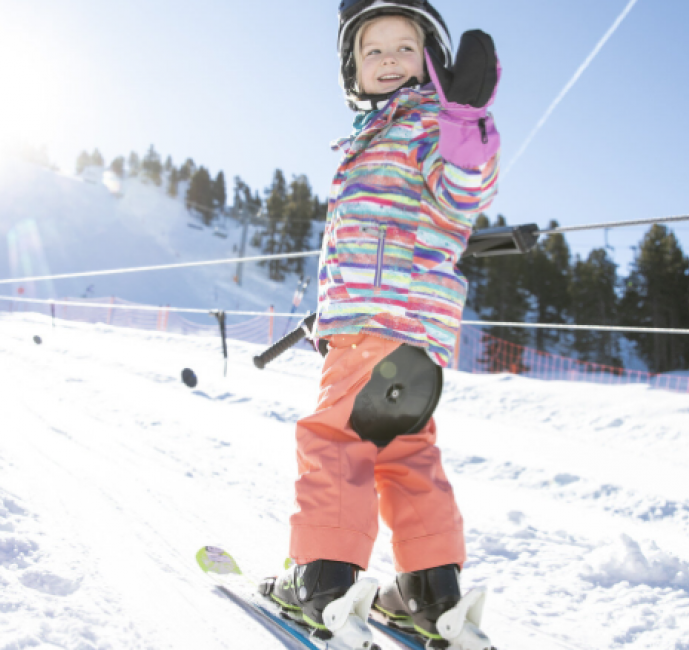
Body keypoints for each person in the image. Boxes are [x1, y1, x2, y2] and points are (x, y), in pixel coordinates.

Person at [257, 0, 501, 645]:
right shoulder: (381, 134)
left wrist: (468, 126)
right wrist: (330, 313)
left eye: (405, 47)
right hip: (414, 335)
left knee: (338, 443)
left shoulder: (430, 124)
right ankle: (429, 592)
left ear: (434, 64)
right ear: (352, 69)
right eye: (374, 50)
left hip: (375, 327)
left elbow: (463, 192)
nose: (390, 59)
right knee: (407, 455)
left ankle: (324, 580)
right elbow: (381, 237)